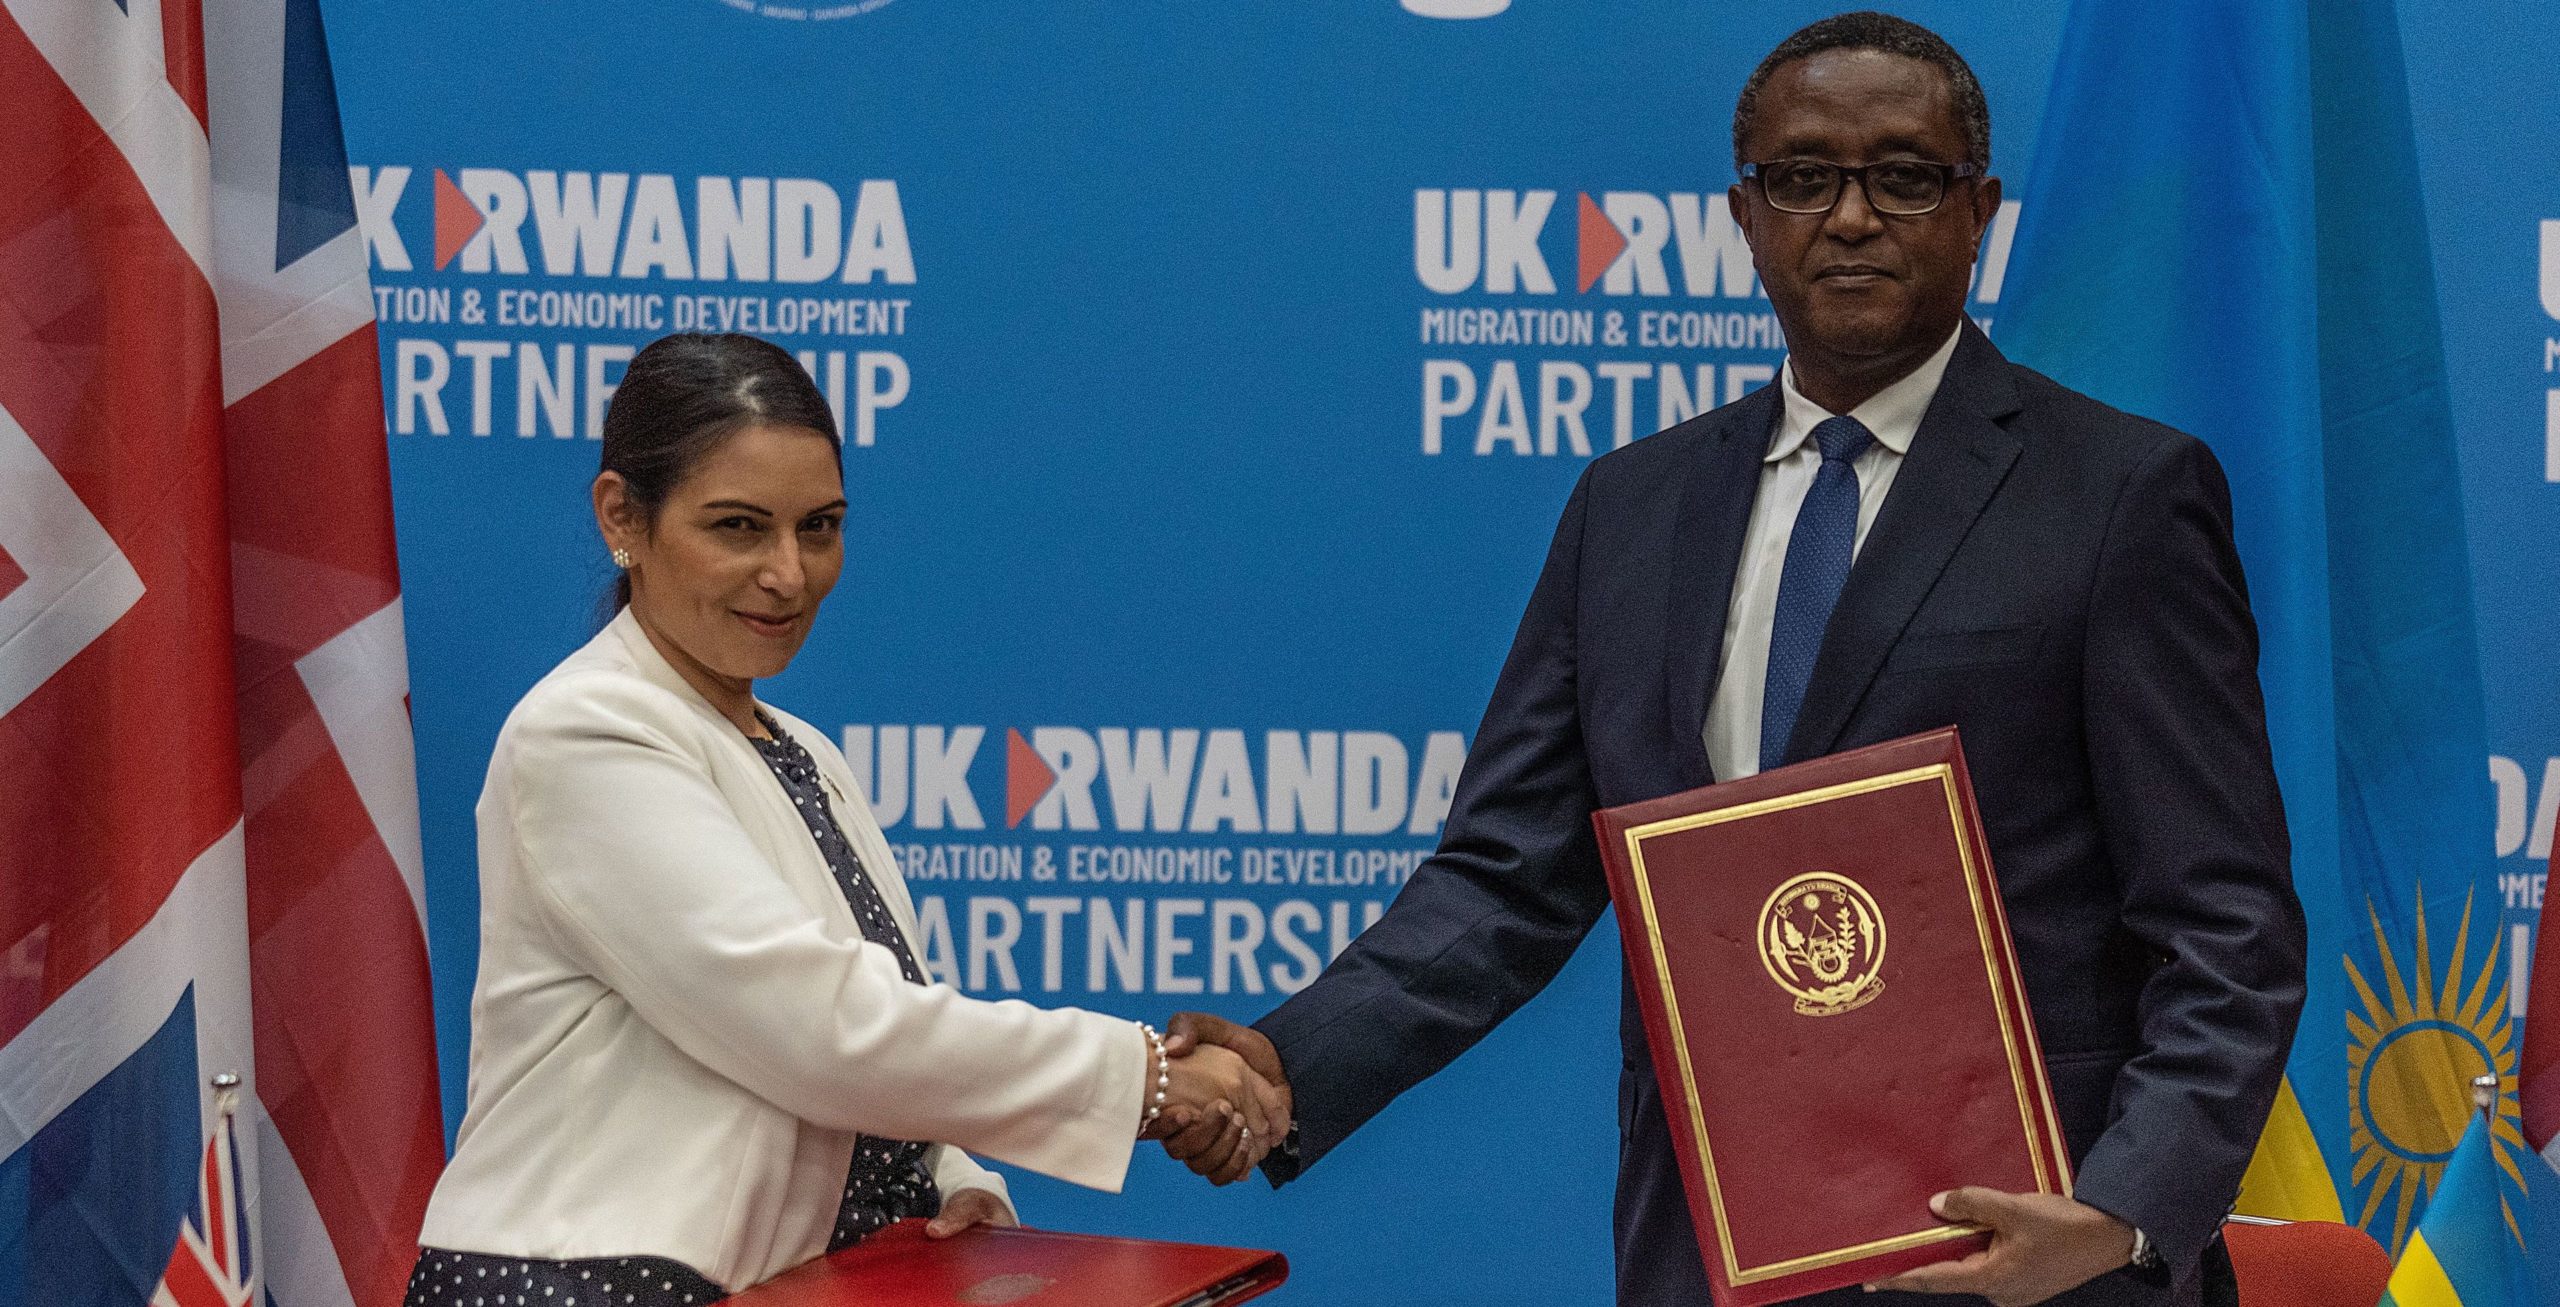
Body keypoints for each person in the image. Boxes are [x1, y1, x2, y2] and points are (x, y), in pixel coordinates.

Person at [1163, 13, 2305, 1307]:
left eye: (1905, 175)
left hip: (2031, 1261)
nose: (1854, 215)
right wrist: (1283, 1063)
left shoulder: (2119, 495)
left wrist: (2117, 1205)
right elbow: (1504, 879)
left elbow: (2227, 924)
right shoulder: (1631, 508)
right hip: (1709, 1253)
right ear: (1744, 211)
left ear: (1980, 207)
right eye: (1806, 178)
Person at [407, 333, 1285, 1305]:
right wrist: (1149, 1077)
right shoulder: (584, 733)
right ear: (623, 516)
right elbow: (823, 1029)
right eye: (738, 526)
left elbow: (874, 1044)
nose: (789, 571)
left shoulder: (803, 751)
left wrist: (954, 1190)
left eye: (818, 526)